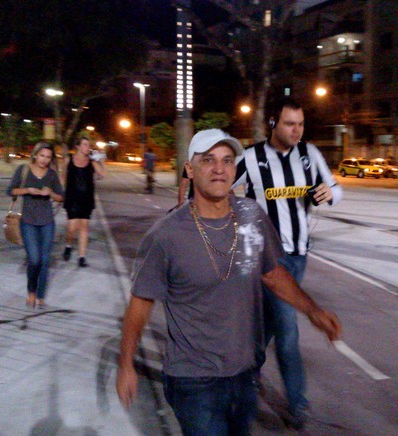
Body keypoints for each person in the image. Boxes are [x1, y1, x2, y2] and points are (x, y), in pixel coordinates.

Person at [116, 129, 342, 435]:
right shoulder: (165, 235)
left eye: (226, 160)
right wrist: (126, 363)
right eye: (208, 160)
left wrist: (313, 311)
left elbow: (273, 274)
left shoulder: (252, 216)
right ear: (189, 169)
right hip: (193, 380)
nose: (219, 168)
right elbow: (141, 301)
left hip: (245, 373)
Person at [233, 97, 343, 429]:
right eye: (289, 124)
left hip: (300, 253)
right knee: (287, 328)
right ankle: (298, 403)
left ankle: (246, 372)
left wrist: (329, 194)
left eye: (300, 124)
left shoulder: (310, 155)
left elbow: (335, 189)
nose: (296, 131)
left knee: (268, 323)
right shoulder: (251, 158)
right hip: (266, 256)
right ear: (273, 123)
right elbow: (220, 181)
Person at [6, 143, 64, 309]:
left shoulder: (52, 174)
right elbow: (10, 190)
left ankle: (40, 295)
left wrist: (51, 193)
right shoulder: (23, 170)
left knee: (44, 261)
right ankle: (31, 290)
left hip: (47, 222)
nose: (44, 160)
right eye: (42, 155)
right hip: (28, 222)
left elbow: (61, 197)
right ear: (35, 155)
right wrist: (27, 190)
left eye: (48, 157)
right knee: (34, 259)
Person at [61, 137, 106, 268]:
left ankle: (82, 257)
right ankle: (68, 245)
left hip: (86, 199)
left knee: (84, 227)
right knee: (71, 228)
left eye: (88, 145)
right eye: (85, 145)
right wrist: (61, 192)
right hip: (72, 199)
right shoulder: (68, 160)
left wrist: (102, 161)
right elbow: (62, 176)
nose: (88, 147)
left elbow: (103, 174)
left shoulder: (92, 162)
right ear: (78, 146)